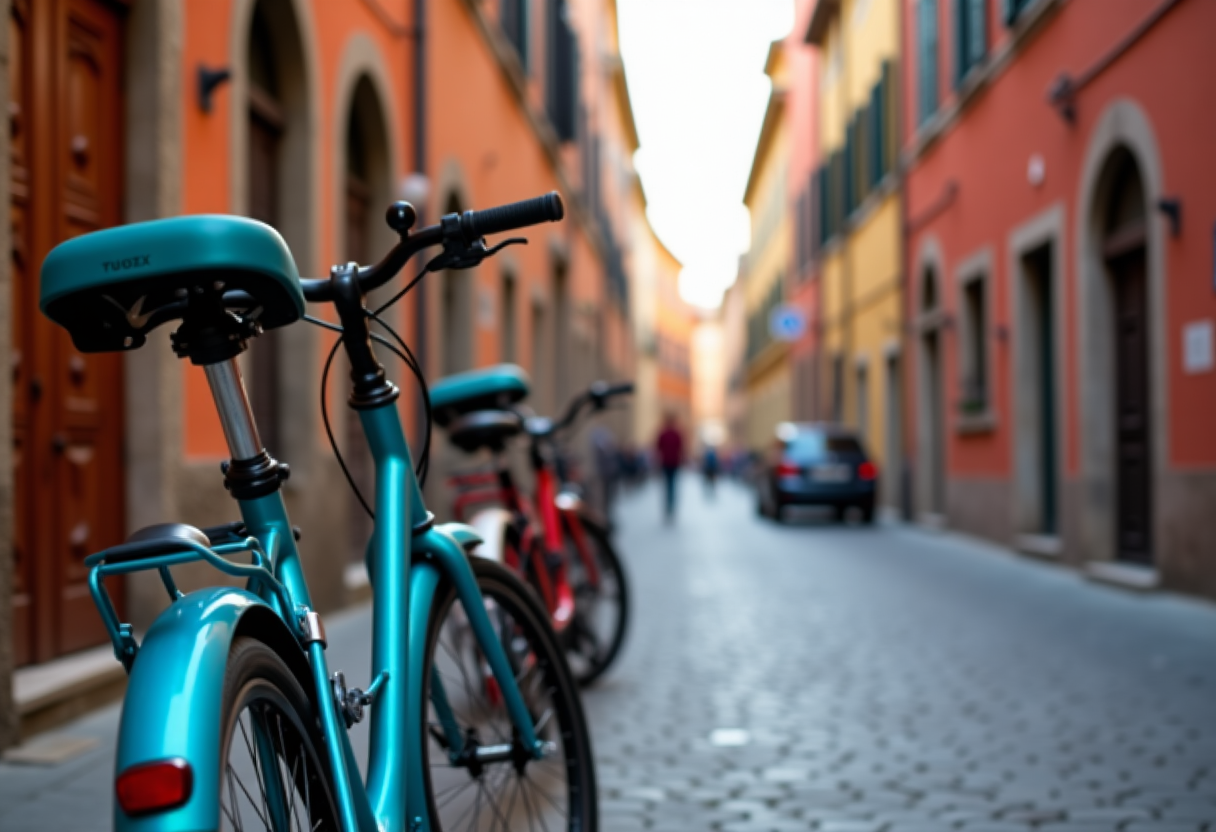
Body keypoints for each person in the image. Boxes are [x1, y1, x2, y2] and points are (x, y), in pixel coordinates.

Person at [655, 413, 684, 521]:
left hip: (666, 463)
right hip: (673, 462)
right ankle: (671, 507)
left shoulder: (663, 433)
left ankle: (668, 507)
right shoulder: (677, 433)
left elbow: (658, 447)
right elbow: (681, 448)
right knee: (672, 485)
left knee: (667, 485)